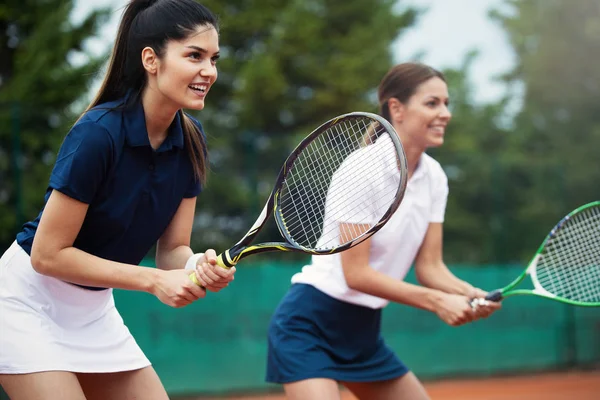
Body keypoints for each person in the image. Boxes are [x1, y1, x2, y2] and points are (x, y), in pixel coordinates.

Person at [0, 0, 234, 398]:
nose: (208, 71)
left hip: (93, 312)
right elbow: (48, 255)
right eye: (194, 55)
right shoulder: (98, 133)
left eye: (213, 58)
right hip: (24, 303)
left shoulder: (192, 141)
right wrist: (154, 280)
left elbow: (172, 249)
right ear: (151, 60)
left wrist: (198, 265)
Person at [266, 62, 502, 400]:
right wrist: (438, 302)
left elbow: (430, 268)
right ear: (397, 109)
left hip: (363, 331)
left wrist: (471, 294)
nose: (445, 113)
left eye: (446, 103)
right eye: (432, 103)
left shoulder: (434, 177)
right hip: (310, 325)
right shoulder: (364, 169)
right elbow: (357, 275)